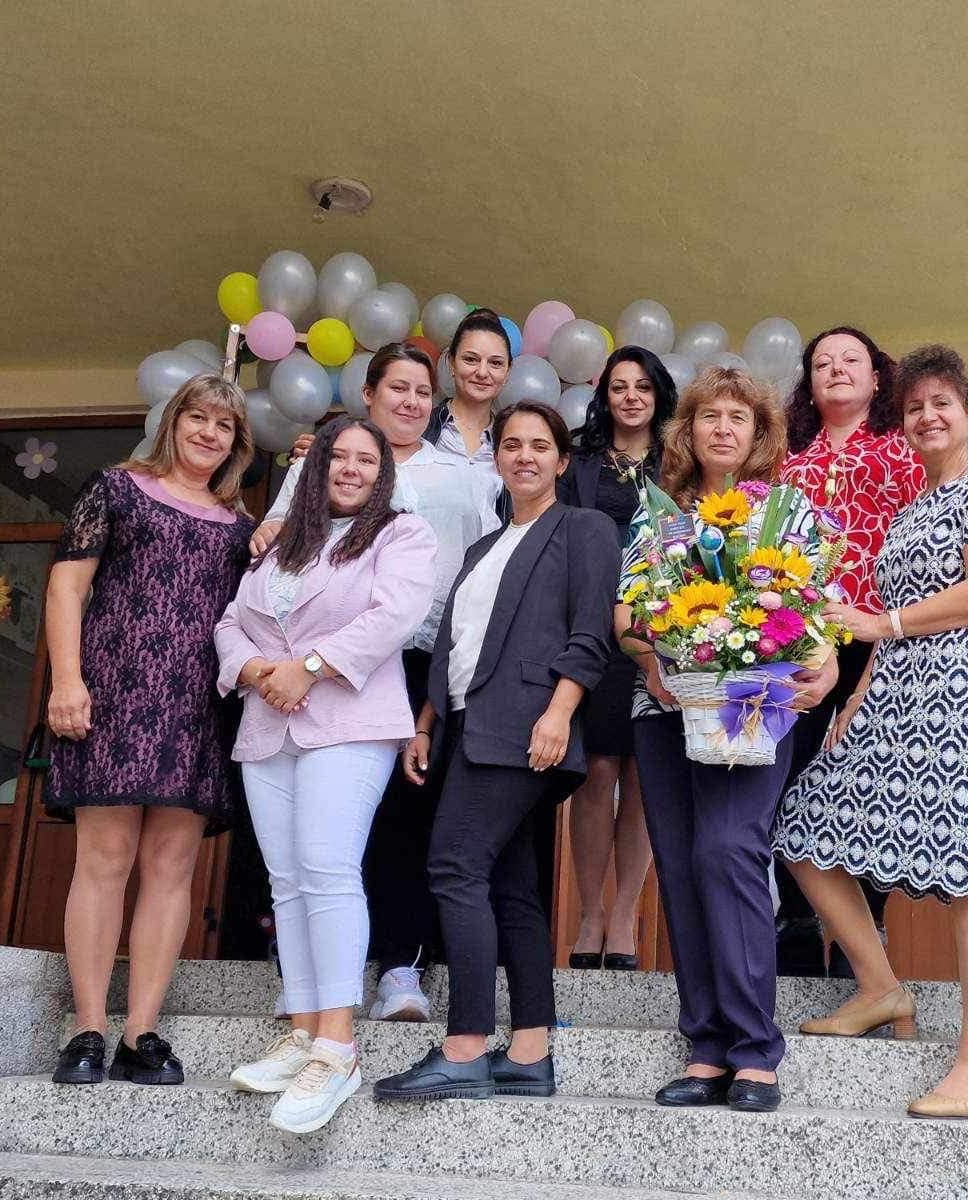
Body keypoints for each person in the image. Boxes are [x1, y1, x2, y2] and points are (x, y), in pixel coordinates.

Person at [776, 346, 968, 1120]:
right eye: (915, 407)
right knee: (803, 828)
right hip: (894, 697)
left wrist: (880, 623)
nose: (927, 417)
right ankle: (882, 988)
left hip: (965, 697)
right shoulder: (913, 507)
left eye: (942, 404)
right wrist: (859, 696)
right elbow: (887, 623)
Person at [373, 401, 619, 1103]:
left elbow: (591, 632)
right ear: (498, 459)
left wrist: (560, 713)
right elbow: (454, 647)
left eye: (540, 445)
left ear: (562, 461)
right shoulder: (484, 547)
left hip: (524, 725)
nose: (524, 456)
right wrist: (426, 723)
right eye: (512, 444)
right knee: (511, 886)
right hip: (466, 728)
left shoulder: (583, 529)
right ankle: (530, 1052)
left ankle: (464, 1048)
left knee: (454, 867)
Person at [253, 344, 500, 1023]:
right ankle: (308, 978)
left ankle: (400, 967)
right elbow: (275, 537)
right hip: (311, 663)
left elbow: (483, 567)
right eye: (398, 388)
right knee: (314, 826)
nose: (412, 402)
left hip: (419, 658)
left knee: (404, 817)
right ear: (368, 393)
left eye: (423, 392)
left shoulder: (460, 476)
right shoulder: (322, 460)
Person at [617, 367, 837, 1114]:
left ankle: (754, 1050)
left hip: (753, 707)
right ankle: (707, 1046)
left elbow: (818, 608)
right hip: (664, 710)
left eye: (738, 417)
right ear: (688, 430)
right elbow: (627, 616)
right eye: (709, 415)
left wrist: (826, 664)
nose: (722, 428)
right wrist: (651, 661)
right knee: (682, 866)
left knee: (728, 850)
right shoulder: (659, 514)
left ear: (759, 434)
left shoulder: (790, 510)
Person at [215, 416, 435, 1133]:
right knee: (286, 879)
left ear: (383, 473)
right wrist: (256, 670)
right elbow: (230, 622)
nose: (350, 468)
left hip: (349, 720)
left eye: (366, 460)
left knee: (328, 868)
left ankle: (337, 1048)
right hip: (268, 722)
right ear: (316, 467)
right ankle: (303, 1031)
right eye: (338, 456)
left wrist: (308, 667)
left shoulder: (401, 534)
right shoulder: (284, 542)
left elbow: (394, 616)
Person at [44, 374, 255, 1087]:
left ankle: (140, 1032)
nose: (208, 433)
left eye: (223, 426)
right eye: (197, 417)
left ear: (236, 444)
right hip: (110, 696)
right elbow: (67, 586)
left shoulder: (242, 528)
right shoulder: (116, 489)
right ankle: (87, 1030)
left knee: (171, 868)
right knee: (104, 860)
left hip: (196, 709)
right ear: (173, 422)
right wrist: (67, 680)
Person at [776, 326, 926, 976]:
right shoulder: (786, 454)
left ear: (876, 376)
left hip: (880, 634)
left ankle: (865, 938)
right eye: (822, 363)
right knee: (790, 775)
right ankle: (797, 920)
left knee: (868, 784)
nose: (836, 370)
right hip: (797, 638)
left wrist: (896, 626)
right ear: (808, 382)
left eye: (850, 360)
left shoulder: (904, 448)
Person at [556, 346, 677, 971]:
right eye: (619, 387)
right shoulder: (577, 465)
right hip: (593, 634)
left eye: (643, 387)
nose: (631, 397)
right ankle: (590, 914)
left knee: (643, 773)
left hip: (664, 632)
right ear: (604, 396)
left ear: (659, 396)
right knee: (596, 772)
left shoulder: (679, 463)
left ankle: (626, 912)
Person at [425, 307, 512, 494]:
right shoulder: (421, 426)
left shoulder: (513, 441)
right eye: (471, 359)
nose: (482, 372)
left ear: (508, 372)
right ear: (451, 363)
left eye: (495, 363)